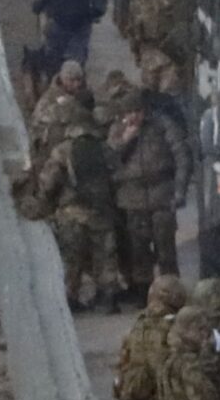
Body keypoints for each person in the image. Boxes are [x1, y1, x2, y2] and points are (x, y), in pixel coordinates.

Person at [20, 105, 121, 311]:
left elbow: (49, 182)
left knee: (71, 260)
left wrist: (43, 200)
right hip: (101, 213)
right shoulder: (104, 148)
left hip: (72, 213)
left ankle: (70, 298)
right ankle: (109, 297)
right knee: (105, 258)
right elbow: (117, 176)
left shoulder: (63, 150)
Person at [109, 92, 194, 295]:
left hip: (162, 195)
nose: (134, 117)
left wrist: (180, 190)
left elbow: (181, 156)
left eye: (137, 111)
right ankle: (142, 291)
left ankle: (171, 291)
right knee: (138, 250)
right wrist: (125, 140)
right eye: (129, 113)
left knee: (165, 249)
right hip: (132, 198)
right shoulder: (117, 130)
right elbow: (108, 159)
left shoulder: (162, 125)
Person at [26, 58, 92, 163]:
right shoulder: (49, 98)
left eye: (79, 80)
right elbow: (37, 123)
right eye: (72, 80)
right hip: (52, 148)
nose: (76, 84)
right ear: (63, 79)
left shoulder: (83, 94)